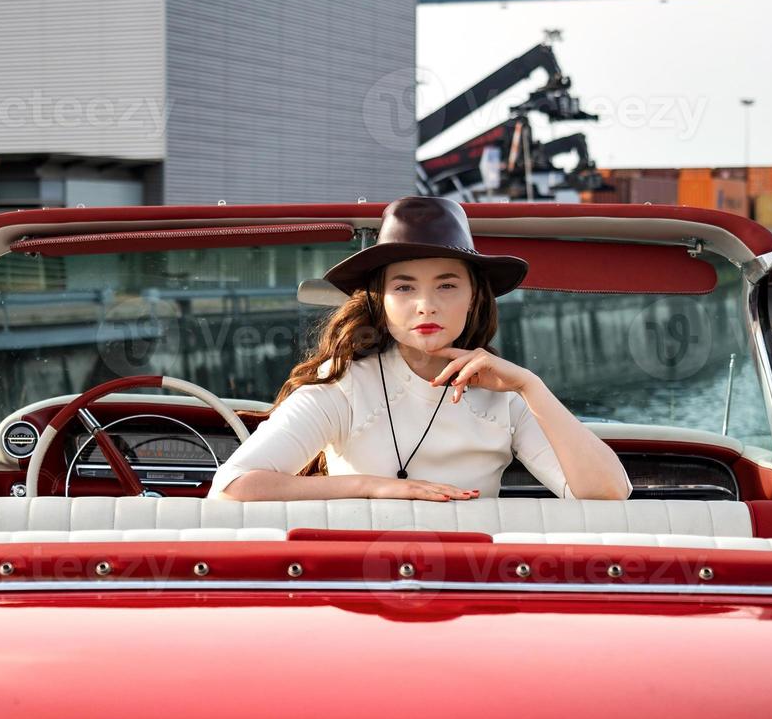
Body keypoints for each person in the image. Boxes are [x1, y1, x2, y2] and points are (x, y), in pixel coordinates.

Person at [208, 196, 632, 502]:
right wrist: (376, 487)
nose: (425, 305)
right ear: (380, 301)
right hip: (355, 585)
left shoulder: (508, 398)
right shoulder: (344, 385)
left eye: (447, 285)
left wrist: (531, 387)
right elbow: (232, 487)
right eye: (404, 287)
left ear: (474, 298)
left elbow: (607, 494)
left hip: (474, 584)